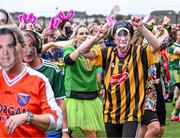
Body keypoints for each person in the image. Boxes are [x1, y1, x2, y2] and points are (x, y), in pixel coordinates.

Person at [75, 16, 160, 137]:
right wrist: (97, 37)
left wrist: (141, 27)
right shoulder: (106, 53)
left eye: (126, 35)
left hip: (132, 112)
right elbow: (82, 51)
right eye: (119, 35)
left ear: (130, 37)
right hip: (110, 112)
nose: (123, 38)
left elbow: (156, 46)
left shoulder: (140, 53)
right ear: (114, 37)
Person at [0, 24, 62, 137]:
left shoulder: (39, 80)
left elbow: (56, 121)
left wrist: (28, 117)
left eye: (10, 45)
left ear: (23, 47)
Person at [22, 29, 69, 138]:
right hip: (22, 127)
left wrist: (65, 131)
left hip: (48, 127)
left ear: (38, 47)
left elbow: (60, 102)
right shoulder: (11, 70)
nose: (28, 51)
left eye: (32, 46)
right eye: (24, 46)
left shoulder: (52, 70)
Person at [63, 24, 106, 138]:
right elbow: (69, 60)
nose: (84, 36)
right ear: (75, 37)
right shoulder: (70, 49)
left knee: (92, 133)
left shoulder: (94, 50)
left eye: (87, 33)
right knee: (70, 132)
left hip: (90, 96)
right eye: (81, 33)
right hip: (74, 96)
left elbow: (104, 56)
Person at [168, 26, 180, 121]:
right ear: (176, 36)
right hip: (176, 73)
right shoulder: (172, 47)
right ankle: (175, 114)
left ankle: (176, 113)